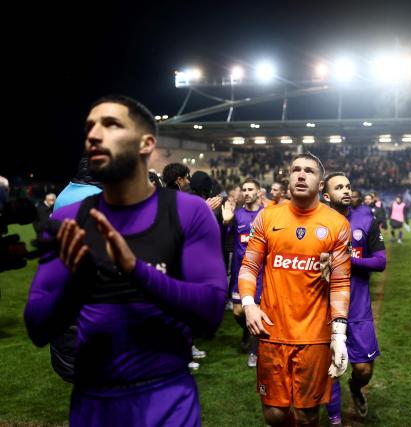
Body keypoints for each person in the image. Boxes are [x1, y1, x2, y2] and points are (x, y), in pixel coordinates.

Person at [24, 95, 227, 427]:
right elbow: (37, 327)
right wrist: (77, 284)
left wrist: (136, 271)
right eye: (90, 127)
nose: (94, 135)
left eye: (111, 125)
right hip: (94, 402)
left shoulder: (189, 213)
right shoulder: (68, 219)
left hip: (166, 398)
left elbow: (209, 315)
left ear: (146, 143)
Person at [238, 152, 351, 426]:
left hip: (314, 335)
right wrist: (249, 303)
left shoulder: (337, 224)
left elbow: (340, 282)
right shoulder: (267, 217)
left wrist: (339, 334)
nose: (301, 175)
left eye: (309, 171)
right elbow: (249, 265)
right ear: (288, 178)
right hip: (271, 330)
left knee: (307, 414)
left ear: (321, 184)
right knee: (275, 414)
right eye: (296, 170)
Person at [323, 173, 386, 425]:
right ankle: (335, 418)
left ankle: (357, 388)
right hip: (325, 306)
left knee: (363, 369)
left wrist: (349, 260)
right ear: (326, 196)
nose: (346, 190)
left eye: (348, 186)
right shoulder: (318, 223)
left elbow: (380, 262)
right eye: (339, 187)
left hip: (358, 307)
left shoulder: (365, 220)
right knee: (331, 369)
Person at [223, 178, 264, 367]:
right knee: (238, 312)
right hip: (239, 272)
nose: (246, 193)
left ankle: (255, 352)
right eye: (244, 190)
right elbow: (226, 240)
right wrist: (225, 222)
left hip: (260, 274)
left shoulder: (266, 215)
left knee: (255, 310)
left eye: (250, 189)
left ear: (258, 192)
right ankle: (248, 331)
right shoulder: (237, 215)